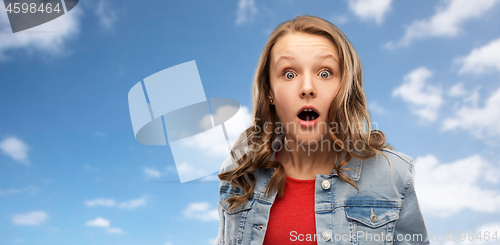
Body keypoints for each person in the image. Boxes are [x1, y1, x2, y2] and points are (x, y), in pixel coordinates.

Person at [213, 15, 430, 245]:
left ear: (344, 86)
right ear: (269, 92)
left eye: (325, 73)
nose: (307, 88)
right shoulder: (240, 167)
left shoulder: (393, 173)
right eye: (289, 74)